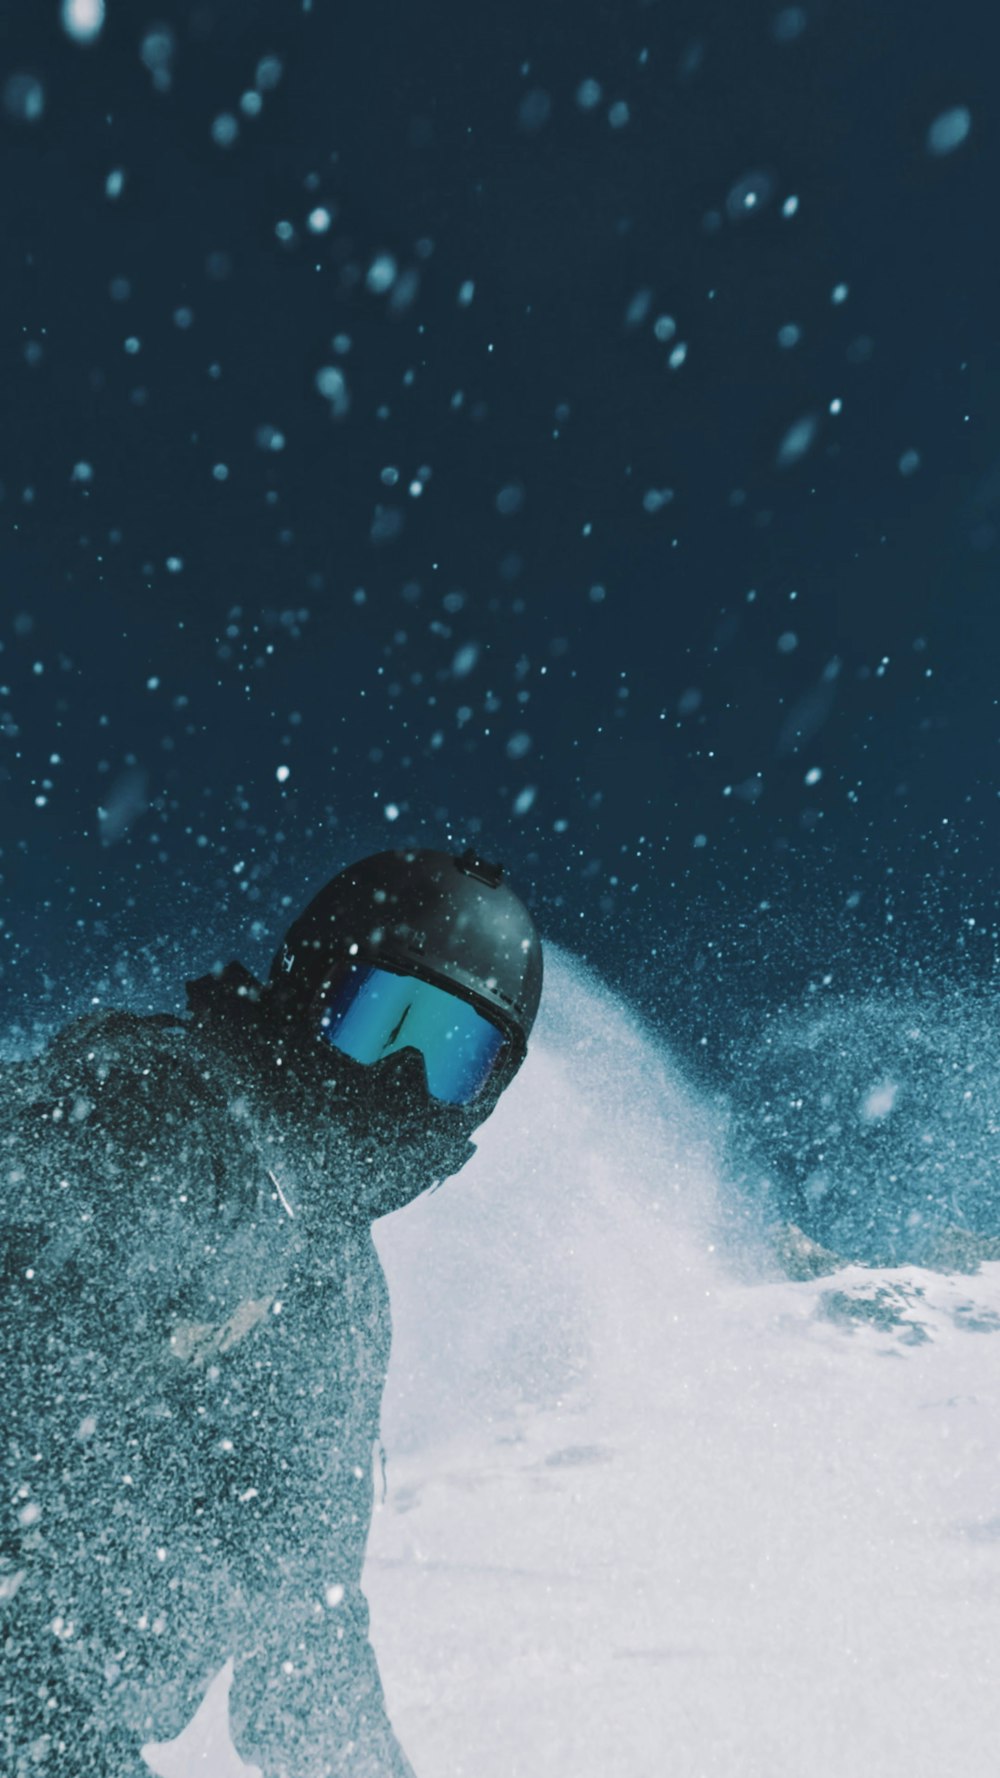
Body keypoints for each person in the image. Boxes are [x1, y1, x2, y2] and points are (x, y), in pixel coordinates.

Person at [1, 845, 544, 1778]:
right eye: (382, 1019)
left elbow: (311, 1631)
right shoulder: (161, 1114)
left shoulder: (339, 1300)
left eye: (456, 1060)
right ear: (309, 989)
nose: (404, 1078)